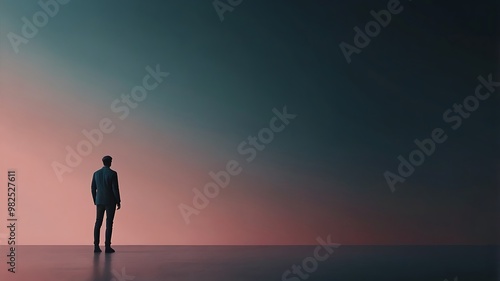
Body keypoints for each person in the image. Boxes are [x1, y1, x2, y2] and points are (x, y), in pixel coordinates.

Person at [91, 155, 121, 253]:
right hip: (110, 201)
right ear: (110, 162)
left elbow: (92, 188)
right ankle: (107, 246)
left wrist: (95, 199)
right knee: (109, 223)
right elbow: (115, 189)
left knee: (98, 222)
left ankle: (96, 246)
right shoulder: (113, 173)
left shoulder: (96, 173)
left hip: (99, 201)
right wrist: (118, 201)